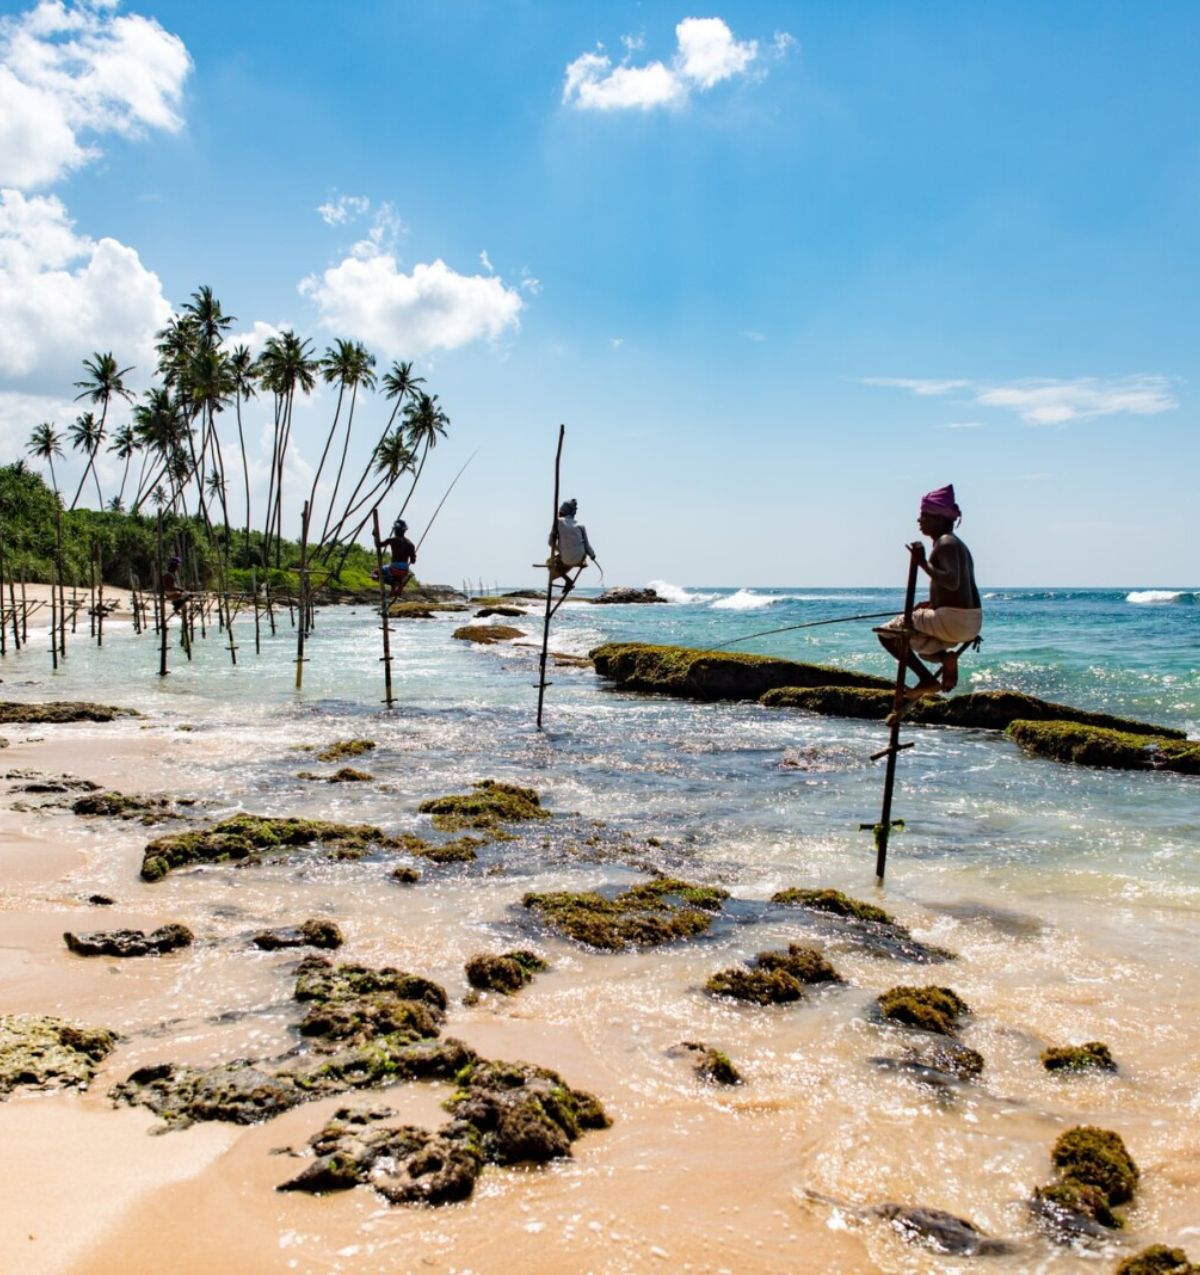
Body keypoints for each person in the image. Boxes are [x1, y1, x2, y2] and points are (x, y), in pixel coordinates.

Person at [877, 484, 982, 700]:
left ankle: (926, 680)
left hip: (953, 620)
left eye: (924, 515)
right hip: (970, 622)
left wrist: (922, 563)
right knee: (922, 646)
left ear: (940, 518)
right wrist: (933, 603)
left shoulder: (945, 542)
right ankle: (946, 659)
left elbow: (951, 582)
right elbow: (958, 589)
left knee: (887, 634)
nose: (919, 520)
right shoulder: (958, 545)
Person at [546, 498, 596, 591]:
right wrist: (593, 555)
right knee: (578, 553)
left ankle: (567, 580)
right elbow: (587, 545)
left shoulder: (557, 522)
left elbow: (550, 543)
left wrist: (561, 550)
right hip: (580, 558)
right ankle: (569, 579)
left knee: (550, 562)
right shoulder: (581, 525)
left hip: (565, 558)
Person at [373, 518, 417, 597]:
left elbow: (378, 545)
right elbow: (413, 561)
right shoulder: (410, 544)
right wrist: (413, 554)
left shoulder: (392, 540)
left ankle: (393, 584)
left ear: (395, 530)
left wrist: (375, 536)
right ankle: (395, 587)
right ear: (404, 531)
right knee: (396, 575)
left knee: (375, 573)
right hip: (404, 570)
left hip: (394, 568)